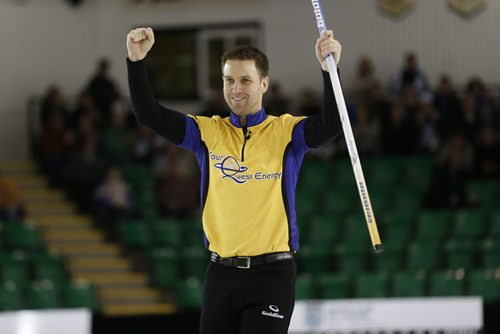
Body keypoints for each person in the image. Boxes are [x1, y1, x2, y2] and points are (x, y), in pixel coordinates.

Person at [126, 26, 342, 334]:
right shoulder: (207, 132)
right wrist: (136, 62)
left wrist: (329, 71)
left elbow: (333, 124)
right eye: (228, 80)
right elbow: (150, 115)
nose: (235, 88)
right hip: (221, 274)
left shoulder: (286, 132)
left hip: (273, 275)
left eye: (245, 80)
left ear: (264, 83)